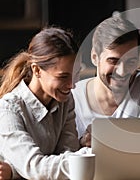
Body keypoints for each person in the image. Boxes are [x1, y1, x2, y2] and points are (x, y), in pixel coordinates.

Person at [0, 26, 84, 179]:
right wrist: (87, 157)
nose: (72, 85)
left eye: (75, 75)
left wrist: (14, 171)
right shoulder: (7, 109)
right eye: (63, 77)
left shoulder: (65, 100)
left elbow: (68, 152)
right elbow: (35, 168)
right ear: (37, 70)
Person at [72, 15, 140, 147]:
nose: (122, 72)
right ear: (95, 57)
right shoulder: (73, 96)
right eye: (114, 61)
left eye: (131, 62)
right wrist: (82, 142)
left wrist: (98, 143)